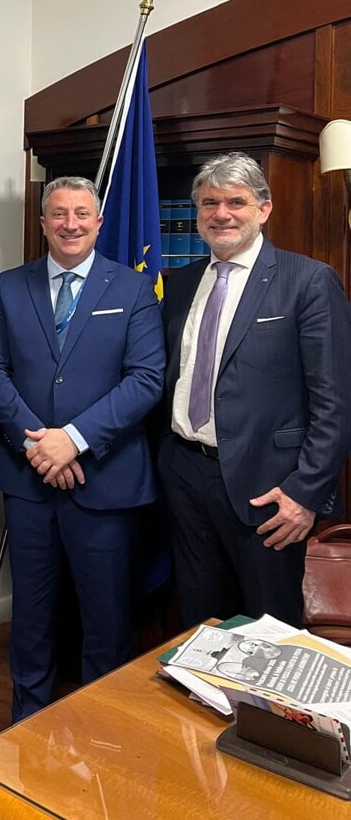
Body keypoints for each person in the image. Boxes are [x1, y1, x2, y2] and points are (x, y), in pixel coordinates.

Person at [0, 176, 165, 722]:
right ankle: (27, 727)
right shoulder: (9, 286)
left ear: (99, 222)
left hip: (104, 481)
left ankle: (101, 731)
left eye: (82, 213)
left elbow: (146, 379)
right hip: (28, 479)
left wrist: (74, 441)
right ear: (43, 223)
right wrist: (41, 445)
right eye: (58, 214)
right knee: (31, 618)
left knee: (106, 620)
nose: (70, 224)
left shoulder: (133, 289)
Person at [157, 152, 351, 627]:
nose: (221, 214)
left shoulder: (307, 280)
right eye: (209, 203)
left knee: (269, 628)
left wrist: (306, 494)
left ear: (264, 209)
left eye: (236, 202)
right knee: (201, 621)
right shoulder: (180, 283)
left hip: (269, 488)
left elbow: (335, 400)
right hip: (185, 474)